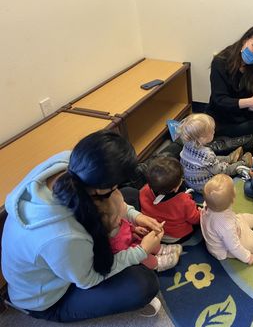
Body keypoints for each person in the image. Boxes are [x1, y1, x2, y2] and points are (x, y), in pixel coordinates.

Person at [1, 130, 164, 322]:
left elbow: (113, 200)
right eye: (114, 186)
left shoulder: (71, 163)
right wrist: (142, 251)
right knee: (143, 285)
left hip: (65, 258)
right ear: (100, 190)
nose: (116, 190)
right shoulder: (64, 237)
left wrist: (135, 217)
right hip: (51, 300)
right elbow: (89, 279)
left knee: (128, 193)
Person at [206, 24, 253, 153]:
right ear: (245, 40)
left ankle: (222, 146)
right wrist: (249, 102)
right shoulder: (220, 62)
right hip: (218, 120)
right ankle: (219, 146)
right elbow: (219, 100)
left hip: (242, 121)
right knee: (195, 132)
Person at [96, 184, 182, 274]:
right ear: (116, 218)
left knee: (148, 239)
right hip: (131, 249)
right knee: (146, 259)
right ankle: (158, 263)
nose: (126, 206)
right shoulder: (115, 242)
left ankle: (160, 249)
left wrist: (135, 229)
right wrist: (141, 250)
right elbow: (127, 253)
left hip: (135, 238)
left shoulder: (118, 220)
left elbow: (126, 225)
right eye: (123, 206)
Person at [179, 113, 253, 193]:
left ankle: (230, 158)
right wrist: (225, 165)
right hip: (206, 187)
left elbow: (207, 162)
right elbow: (220, 170)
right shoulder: (206, 154)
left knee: (214, 159)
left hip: (191, 182)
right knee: (226, 170)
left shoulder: (186, 146)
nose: (214, 131)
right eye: (212, 131)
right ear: (202, 138)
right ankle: (243, 163)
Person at [139, 156, 201, 243]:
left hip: (154, 230)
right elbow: (196, 219)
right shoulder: (184, 201)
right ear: (175, 189)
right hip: (175, 236)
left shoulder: (144, 190)